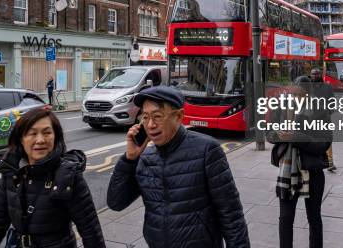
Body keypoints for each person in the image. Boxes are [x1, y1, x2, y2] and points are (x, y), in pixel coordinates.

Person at [106, 86, 250, 248]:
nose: (151, 125)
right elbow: (115, 203)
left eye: (157, 116)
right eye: (145, 117)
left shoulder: (207, 150)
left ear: (179, 116)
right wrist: (129, 159)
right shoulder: (145, 158)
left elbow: (231, 215)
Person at [0, 108, 105, 248]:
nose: (40, 140)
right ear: (21, 139)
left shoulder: (68, 175)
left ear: (56, 136)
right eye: (32, 133)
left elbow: (91, 232)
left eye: (47, 133)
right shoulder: (12, 172)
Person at [272, 76, 332, 248]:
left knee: (314, 217)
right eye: (293, 95)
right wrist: (277, 135)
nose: (295, 99)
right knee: (285, 218)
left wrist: (296, 137)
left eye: (299, 96)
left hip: (312, 173)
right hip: (287, 172)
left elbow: (323, 144)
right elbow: (269, 132)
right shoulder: (283, 108)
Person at [309, 68, 337, 172]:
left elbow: (332, 101)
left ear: (320, 75)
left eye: (316, 74)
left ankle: (330, 162)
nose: (315, 76)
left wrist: (329, 111)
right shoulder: (308, 88)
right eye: (313, 74)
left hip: (324, 118)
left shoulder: (327, 87)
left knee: (327, 139)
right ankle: (314, 159)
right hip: (311, 118)